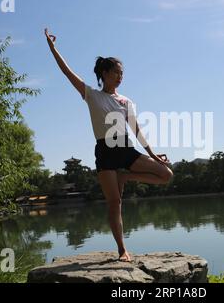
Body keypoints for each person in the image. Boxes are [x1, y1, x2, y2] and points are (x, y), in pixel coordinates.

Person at [45, 28, 174, 262]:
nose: (120, 76)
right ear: (104, 73)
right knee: (115, 203)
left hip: (126, 150)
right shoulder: (92, 95)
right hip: (105, 152)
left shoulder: (126, 101)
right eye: (116, 72)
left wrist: (153, 155)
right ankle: (122, 249)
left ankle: (126, 177)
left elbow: (136, 130)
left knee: (166, 174)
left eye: (122, 73)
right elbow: (67, 72)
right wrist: (53, 49)